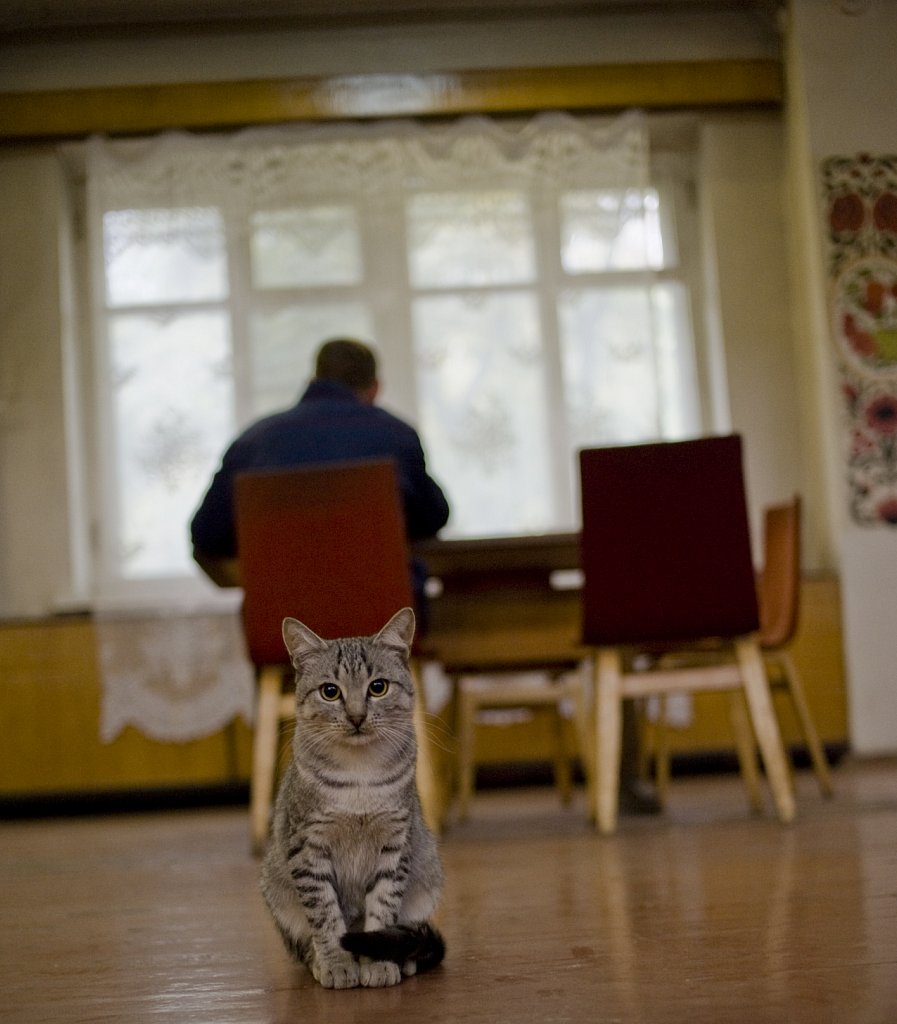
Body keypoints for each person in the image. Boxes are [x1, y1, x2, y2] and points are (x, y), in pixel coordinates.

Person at [190, 337, 450, 610]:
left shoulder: (253, 442)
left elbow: (206, 535)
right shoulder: (396, 436)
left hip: (283, 622)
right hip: (380, 618)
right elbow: (434, 518)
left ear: (313, 380)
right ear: (374, 390)